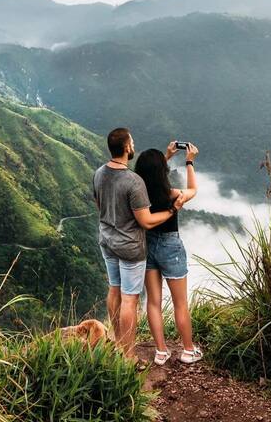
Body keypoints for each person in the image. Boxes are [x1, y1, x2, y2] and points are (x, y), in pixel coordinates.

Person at [93, 128, 184, 359]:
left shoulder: (99, 173)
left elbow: (99, 206)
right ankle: (129, 356)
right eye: (131, 141)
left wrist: (166, 156)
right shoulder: (133, 182)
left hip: (107, 241)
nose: (134, 145)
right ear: (126, 148)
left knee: (114, 289)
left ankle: (117, 341)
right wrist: (173, 210)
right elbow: (147, 221)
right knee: (129, 298)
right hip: (130, 247)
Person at [135, 141, 203, 365]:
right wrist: (189, 161)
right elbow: (193, 190)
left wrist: (166, 155)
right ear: (162, 172)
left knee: (153, 302)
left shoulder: (138, 194)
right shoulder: (172, 195)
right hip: (170, 247)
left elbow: (151, 173)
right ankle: (188, 350)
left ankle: (161, 351)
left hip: (147, 246)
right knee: (180, 303)